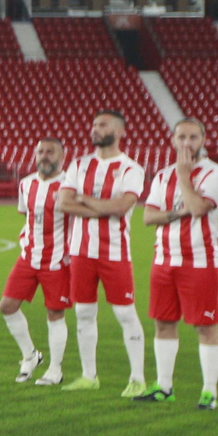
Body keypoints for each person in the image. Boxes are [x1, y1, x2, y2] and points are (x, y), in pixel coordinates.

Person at [58, 110, 147, 396]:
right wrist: (100, 205)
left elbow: (121, 208)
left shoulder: (131, 169)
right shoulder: (79, 164)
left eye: (102, 124)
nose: (95, 128)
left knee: (124, 313)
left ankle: (137, 379)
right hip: (81, 251)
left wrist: (83, 198)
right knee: (83, 312)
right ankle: (88, 376)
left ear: (119, 131)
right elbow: (64, 204)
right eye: (94, 123)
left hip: (115, 252)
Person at [137, 119, 218, 407]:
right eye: (181, 137)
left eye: (193, 137)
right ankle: (164, 387)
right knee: (163, 323)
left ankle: (210, 392)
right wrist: (179, 211)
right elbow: (148, 217)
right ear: (172, 140)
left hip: (201, 261)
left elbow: (197, 209)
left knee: (206, 326)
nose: (187, 143)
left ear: (204, 139)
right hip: (164, 260)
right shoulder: (162, 176)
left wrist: (184, 178)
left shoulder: (212, 174)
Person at [0, 138, 71, 386]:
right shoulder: (26, 184)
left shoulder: (70, 185)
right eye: (41, 151)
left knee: (55, 313)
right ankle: (30, 356)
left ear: (62, 156)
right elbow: (27, 215)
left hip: (58, 260)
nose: (44, 156)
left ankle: (55, 370)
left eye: (51, 152)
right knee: (7, 306)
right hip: (29, 256)